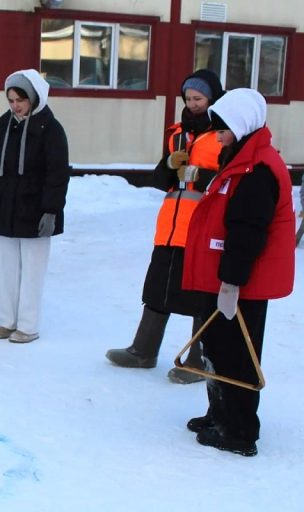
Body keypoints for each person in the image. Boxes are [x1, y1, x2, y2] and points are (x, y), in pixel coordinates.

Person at [182, 88, 295, 456]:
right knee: (216, 347)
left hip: (241, 282)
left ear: (242, 124)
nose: (216, 135)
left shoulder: (259, 169)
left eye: (222, 128)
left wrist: (231, 280)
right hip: (224, 276)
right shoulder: (240, 157)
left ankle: (240, 431)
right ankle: (219, 414)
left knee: (238, 355)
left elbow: (247, 232)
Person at [105, 70, 224, 383]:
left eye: (198, 98)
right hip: (170, 227)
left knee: (199, 295)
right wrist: (170, 165)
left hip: (200, 229)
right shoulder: (177, 134)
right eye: (188, 98)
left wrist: (199, 174)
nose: (193, 103)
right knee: (157, 289)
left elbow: (229, 182)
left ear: (212, 98)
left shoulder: (223, 134)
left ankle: (200, 361)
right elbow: (160, 182)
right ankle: (143, 351)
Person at [0, 69, 69, 343]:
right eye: (11, 99)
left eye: (20, 99)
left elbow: (57, 174)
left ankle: (27, 325)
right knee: (6, 269)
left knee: (32, 271)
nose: (15, 105)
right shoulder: (4, 123)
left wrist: (51, 210)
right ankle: (7, 321)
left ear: (34, 97)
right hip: (4, 208)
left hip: (36, 212)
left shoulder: (51, 128)